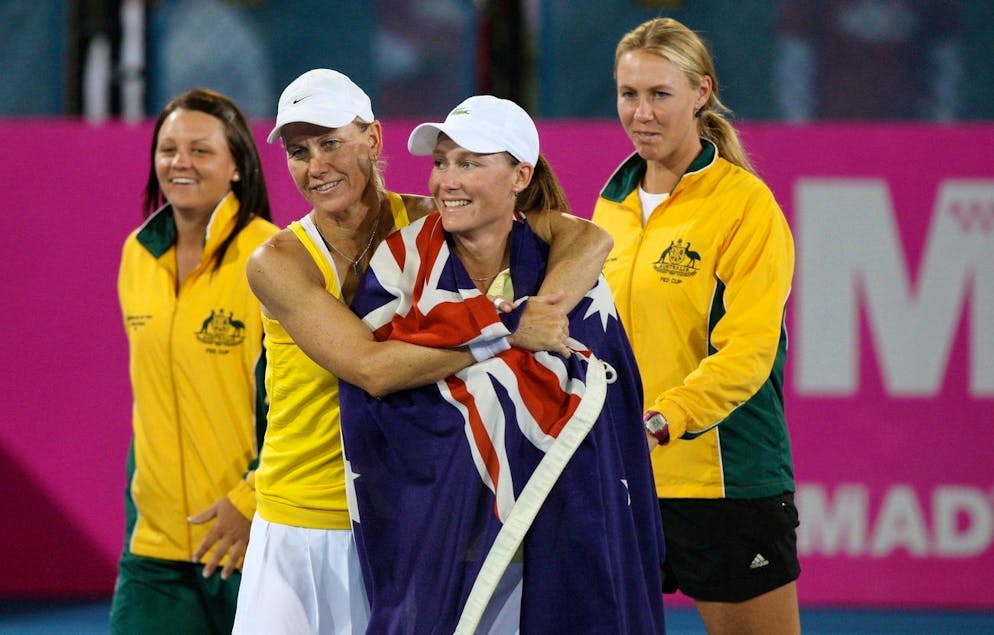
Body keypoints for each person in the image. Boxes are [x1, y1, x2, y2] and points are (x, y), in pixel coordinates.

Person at [233, 70, 613, 634]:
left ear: (373, 140)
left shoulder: (435, 219)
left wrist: (549, 307)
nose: (315, 166)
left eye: (331, 143)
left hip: (411, 516)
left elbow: (588, 237)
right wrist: (506, 330)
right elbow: (371, 370)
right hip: (306, 523)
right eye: (297, 151)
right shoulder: (276, 261)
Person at [338, 94, 665, 634]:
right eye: (441, 162)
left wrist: (466, 357)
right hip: (448, 552)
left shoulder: (569, 281)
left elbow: (596, 398)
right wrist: (501, 333)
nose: (446, 180)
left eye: (470, 163)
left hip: (556, 548)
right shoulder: (401, 266)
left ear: (520, 176)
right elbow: (380, 382)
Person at [591, 17, 801, 635]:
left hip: (727, 480)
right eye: (629, 94)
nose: (642, 114)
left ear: (701, 92)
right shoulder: (613, 202)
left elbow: (749, 351)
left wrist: (664, 419)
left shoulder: (745, 205)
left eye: (661, 94)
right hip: (630, 479)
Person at [111, 88, 279, 634]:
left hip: (247, 537)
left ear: (236, 166)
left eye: (200, 150)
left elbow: (298, 402)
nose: (180, 162)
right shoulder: (138, 254)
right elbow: (154, 399)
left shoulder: (271, 256)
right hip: (155, 547)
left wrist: (250, 498)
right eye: (168, 149)